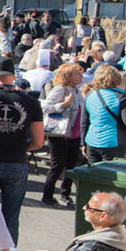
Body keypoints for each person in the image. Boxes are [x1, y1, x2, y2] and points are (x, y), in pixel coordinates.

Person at [0, 56, 44, 245]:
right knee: (11, 216)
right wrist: (21, 147)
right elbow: (38, 141)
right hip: (17, 161)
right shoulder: (31, 103)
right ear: (13, 76)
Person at [41, 62, 85, 206]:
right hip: (60, 134)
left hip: (74, 134)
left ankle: (65, 194)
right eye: (78, 73)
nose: (81, 76)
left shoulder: (77, 91)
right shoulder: (60, 89)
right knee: (57, 165)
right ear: (69, 75)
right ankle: (47, 195)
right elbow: (45, 107)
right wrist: (63, 105)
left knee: (71, 165)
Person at [83, 63, 126, 162]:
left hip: (92, 140)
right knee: (112, 170)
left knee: (94, 170)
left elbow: (84, 122)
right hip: (113, 142)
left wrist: (83, 143)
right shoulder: (121, 97)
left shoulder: (89, 96)